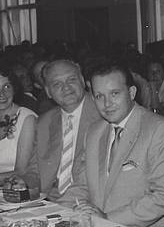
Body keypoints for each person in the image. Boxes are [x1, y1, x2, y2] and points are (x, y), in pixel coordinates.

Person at [60, 62, 164, 227]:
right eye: (100, 96)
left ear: (131, 93)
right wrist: (52, 211)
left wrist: (108, 219)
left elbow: (163, 196)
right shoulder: (94, 132)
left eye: (114, 94)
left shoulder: (158, 129)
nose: (107, 103)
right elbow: (83, 185)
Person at [37, 60, 102, 201]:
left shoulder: (104, 112)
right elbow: (33, 169)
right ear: (48, 92)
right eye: (57, 84)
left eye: (71, 79)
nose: (66, 88)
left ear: (83, 81)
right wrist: (45, 191)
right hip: (51, 202)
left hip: (92, 200)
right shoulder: (43, 122)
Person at [0, 65, 39, 196]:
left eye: (6, 87)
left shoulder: (27, 118)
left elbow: (21, 171)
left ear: (14, 89)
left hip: (15, 192)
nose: (2, 94)